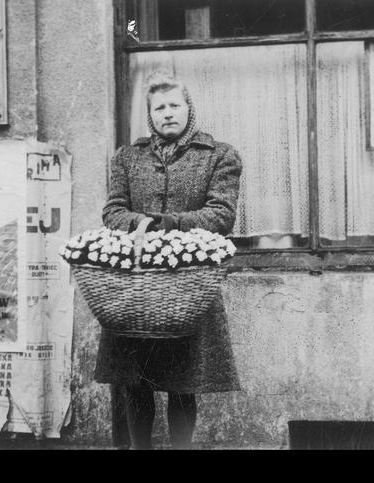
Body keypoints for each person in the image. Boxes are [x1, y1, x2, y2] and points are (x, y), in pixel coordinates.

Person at [97, 71, 242, 449]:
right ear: (150, 115)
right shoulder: (128, 158)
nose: (167, 114)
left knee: (183, 383)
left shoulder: (219, 156)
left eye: (174, 105)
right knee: (135, 381)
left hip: (189, 284)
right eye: (159, 107)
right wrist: (142, 224)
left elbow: (221, 216)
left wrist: (170, 225)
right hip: (136, 284)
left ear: (188, 109)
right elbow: (113, 212)